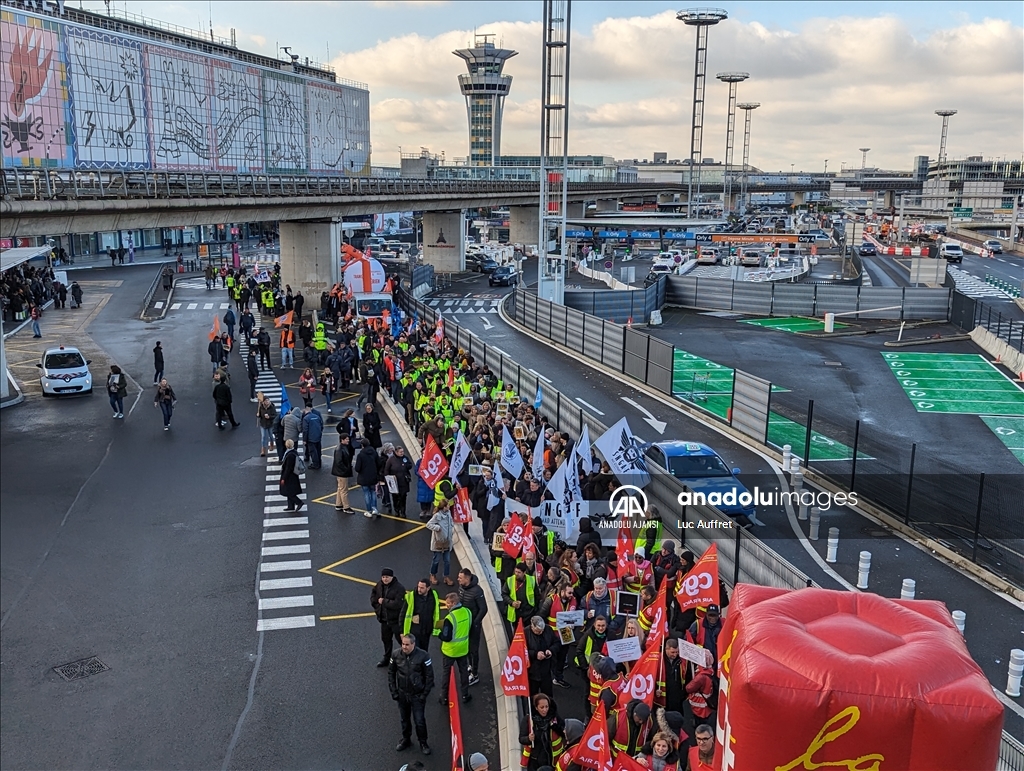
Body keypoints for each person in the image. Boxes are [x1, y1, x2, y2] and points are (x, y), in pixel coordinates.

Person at [388, 634, 434, 757]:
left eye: (407, 644)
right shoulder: (396, 655)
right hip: (403, 694)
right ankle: (406, 739)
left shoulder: (423, 656)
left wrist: (424, 695)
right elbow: (391, 673)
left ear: (413, 644)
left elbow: (430, 677)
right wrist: (394, 692)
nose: (404, 647)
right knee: (404, 719)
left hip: (417, 695)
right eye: (403, 644)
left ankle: (423, 743)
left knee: (419, 721)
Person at [435, 592, 473, 706]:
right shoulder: (468, 612)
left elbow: (446, 637)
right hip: (463, 649)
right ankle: (465, 695)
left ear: (454, 603)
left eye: (448, 604)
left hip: (450, 651)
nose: (446, 606)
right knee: (464, 673)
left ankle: (444, 697)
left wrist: (438, 633)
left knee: (447, 674)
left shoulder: (449, 618)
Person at [518, 692, 565, 771]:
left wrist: (555, 727)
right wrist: (528, 739)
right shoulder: (528, 720)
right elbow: (521, 739)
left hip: (550, 758)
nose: (545, 710)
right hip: (534, 760)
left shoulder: (554, 718)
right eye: (542, 707)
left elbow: (563, 732)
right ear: (536, 708)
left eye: (547, 707)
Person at [456, 568, 487, 685]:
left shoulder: (477, 591)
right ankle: (470, 665)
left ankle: (475, 674)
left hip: (473, 626)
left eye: (460, 578)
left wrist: (475, 622)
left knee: (474, 650)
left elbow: (483, 609)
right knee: (467, 648)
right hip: (464, 624)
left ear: (467, 578)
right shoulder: (461, 588)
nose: (458, 579)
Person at [371, 568, 405, 667]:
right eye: (383, 577)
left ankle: (405, 659)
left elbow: (398, 604)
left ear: (392, 577)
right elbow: (374, 593)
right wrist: (375, 603)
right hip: (384, 620)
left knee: (401, 640)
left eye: (387, 577)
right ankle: (387, 658)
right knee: (386, 639)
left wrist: (384, 602)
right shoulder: (379, 585)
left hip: (396, 620)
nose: (385, 579)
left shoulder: (399, 588)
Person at [400, 579, 440, 652]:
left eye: (422, 588)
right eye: (418, 587)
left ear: (428, 588)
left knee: (424, 651)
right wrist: (402, 632)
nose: (419, 589)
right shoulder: (411, 597)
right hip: (415, 631)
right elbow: (402, 614)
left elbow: (435, 612)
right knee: (416, 653)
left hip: (427, 631)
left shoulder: (434, 595)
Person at [525, 615, 559, 697]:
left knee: (548, 695)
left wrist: (551, 650)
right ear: (532, 626)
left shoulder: (548, 629)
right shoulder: (525, 633)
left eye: (542, 631)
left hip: (546, 670)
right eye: (538, 631)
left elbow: (557, 643)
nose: (540, 633)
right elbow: (521, 651)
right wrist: (535, 654)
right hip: (532, 671)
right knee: (533, 695)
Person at [502, 562, 538, 636]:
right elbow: (504, 594)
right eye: (516, 571)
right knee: (517, 634)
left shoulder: (531, 580)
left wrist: (535, 609)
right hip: (516, 613)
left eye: (519, 572)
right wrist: (512, 602)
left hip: (528, 613)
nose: (516, 574)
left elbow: (537, 595)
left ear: (524, 572)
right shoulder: (510, 580)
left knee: (529, 633)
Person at [426, 500, 456, 586]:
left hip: (447, 541)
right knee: (436, 560)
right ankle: (432, 574)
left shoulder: (448, 513)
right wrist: (437, 527)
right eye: (447, 505)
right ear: (444, 507)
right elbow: (428, 524)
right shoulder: (437, 515)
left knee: (447, 561)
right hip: (438, 542)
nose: (449, 507)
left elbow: (450, 523)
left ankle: (446, 576)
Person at [354, 439, 381, 517]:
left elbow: (357, 468)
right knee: (373, 492)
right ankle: (375, 509)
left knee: (366, 493)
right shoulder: (374, 453)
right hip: (373, 476)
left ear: (362, 445)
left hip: (364, 477)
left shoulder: (361, 455)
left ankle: (369, 511)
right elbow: (379, 464)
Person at [383, 446, 412, 518]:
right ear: (396, 452)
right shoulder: (391, 460)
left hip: (404, 482)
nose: (402, 453)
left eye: (403, 451)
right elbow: (386, 470)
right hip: (394, 482)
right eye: (400, 452)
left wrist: (406, 465)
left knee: (403, 497)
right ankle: (396, 510)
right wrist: (388, 479)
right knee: (395, 497)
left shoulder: (405, 458)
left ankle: (403, 511)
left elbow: (410, 465)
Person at [331, 433, 355, 513]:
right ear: (342, 440)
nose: (348, 440)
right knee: (344, 490)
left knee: (340, 488)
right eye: (347, 439)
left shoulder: (341, 447)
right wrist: (346, 470)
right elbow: (339, 462)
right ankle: (346, 507)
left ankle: (339, 504)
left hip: (340, 472)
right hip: (342, 473)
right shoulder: (340, 449)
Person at [279, 439, 304, 512]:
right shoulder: (293, 452)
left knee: (288, 492)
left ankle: (299, 502)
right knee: (289, 491)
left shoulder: (289, 455)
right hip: (293, 476)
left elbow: (288, 468)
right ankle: (290, 506)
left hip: (290, 476)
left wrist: (284, 478)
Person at [301, 404, 324, 469]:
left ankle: (315, 464)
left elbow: (305, 430)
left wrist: (304, 439)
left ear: (306, 410)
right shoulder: (317, 416)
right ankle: (319, 462)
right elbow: (321, 425)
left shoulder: (306, 418)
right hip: (318, 436)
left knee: (313, 452)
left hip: (311, 438)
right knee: (318, 450)